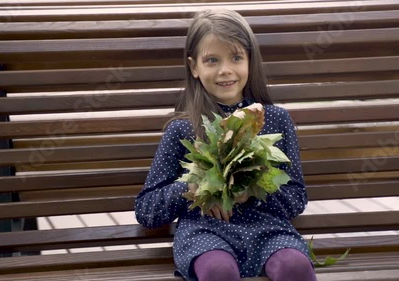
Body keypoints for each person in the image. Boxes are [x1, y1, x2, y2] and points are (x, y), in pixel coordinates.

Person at [135, 9, 316, 281]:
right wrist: (191, 189)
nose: (225, 70)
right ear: (194, 67)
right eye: (211, 60)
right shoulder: (183, 128)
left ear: (250, 61)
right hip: (206, 232)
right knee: (219, 270)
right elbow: (146, 209)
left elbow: (296, 197)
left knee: (295, 267)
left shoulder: (276, 120)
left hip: (267, 228)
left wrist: (254, 189)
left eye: (236, 57)